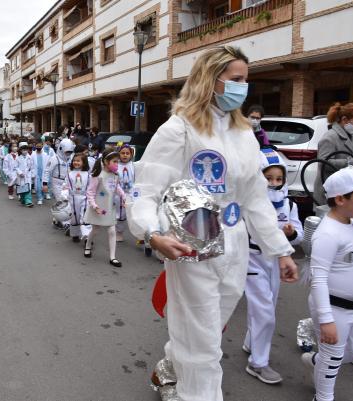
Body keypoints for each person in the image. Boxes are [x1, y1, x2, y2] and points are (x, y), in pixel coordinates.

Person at [126, 46, 297, 401]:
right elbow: (147, 189)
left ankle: (171, 368)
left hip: (235, 248)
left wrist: (280, 251)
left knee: (206, 328)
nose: (243, 87)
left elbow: (255, 198)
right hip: (192, 246)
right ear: (211, 80)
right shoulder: (179, 129)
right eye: (236, 80)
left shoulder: (243, 132)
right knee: (203, 345)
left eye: (246, 81)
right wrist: (152, 233)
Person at [302, 166, 353, 401]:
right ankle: (323, 397)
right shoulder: (327, 233)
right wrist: (326, 320)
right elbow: (319, 278)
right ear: (341, 199)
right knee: (333, 357)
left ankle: (318, 360)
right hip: (334, 308)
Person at [242, 148, 303, 385]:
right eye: (268, 178)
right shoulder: (248, 203)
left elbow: (297, 237)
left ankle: (251, 342)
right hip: (252, 260)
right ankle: (258, 363)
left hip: (277, 263)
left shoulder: (289, 204)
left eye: (278, 179)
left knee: (266, 308)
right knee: (264, 312)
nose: (274, 183)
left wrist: (291, 232)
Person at [314, 102, 353, 206]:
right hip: (329, 191)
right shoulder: (330, 137)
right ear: (345, 120)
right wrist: (349, 162)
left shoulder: (350, 136)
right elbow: (323, 162)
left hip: (343, 189)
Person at [83, 149, 126, 267]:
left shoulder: (115, 176)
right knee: (95, 230)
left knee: (112, 231)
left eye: (118, 162)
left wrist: (123, 196)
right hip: (98, 208)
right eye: (115, 161)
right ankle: (88, 245)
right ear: (106, 161)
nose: (117, 164)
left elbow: (117, 188)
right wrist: (95, 206)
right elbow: (90, 193)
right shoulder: (97, 175)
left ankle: (113, 257)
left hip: (109, 207)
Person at [43, 138, 75, 228]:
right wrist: (45, 184)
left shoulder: (71, 158)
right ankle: (65, 222)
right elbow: (47, 171)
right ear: (61, 149)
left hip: (68, 182)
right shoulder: (54, 159)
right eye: (66, 152)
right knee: (61, 202)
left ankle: (56, 220)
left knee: (67, 201)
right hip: (56, 181)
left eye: (70, 152)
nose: (68, 154)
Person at [61, 153, 91, 242]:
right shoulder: (70, 174)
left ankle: (87, 236)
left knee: (85, 217)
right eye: (74, 160)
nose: (76, 162)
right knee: (74, 217)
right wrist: (65, 195)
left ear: (84, 163)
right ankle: (75, 234)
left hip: (84, 198)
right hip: (73, 198)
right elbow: (66, 185)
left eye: (78, 161)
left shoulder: (87, 174)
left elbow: (90, 187)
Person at [116, 144, 135, 243]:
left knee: (134, 214)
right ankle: (119, 232)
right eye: (123, 153)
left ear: (131, 155)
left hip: (131, 193)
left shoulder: (133, 165)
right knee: (121, 214)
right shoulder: (116, 166)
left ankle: (140, 234)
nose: (125, 155)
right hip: (119, 194)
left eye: (127, 153)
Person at [31, 141, 51, 205]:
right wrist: (32, 172)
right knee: (37, 187)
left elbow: (48, 163)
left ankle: (42, 196)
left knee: (43, 186)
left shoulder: (45, 154)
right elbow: (31, 164)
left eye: (40, 146)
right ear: (35, 146)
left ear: (42, 146)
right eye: (37, 146)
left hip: (44, 173)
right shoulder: (33, 154)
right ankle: (39, 198)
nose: (39, 147)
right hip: (36, 173)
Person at [16, 143, 34, 207]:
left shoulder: (30, 157)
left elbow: (32, 166)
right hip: (21, 176)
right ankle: (23, 200)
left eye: (26, 150)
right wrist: (20, 173)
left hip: (28, 175)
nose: (25, 151)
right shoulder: (18, 158)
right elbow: (16, 167)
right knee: (22, 188)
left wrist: (32, 174)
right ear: (21, 150)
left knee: (28, 188)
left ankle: (28, 201)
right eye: (23, 150)